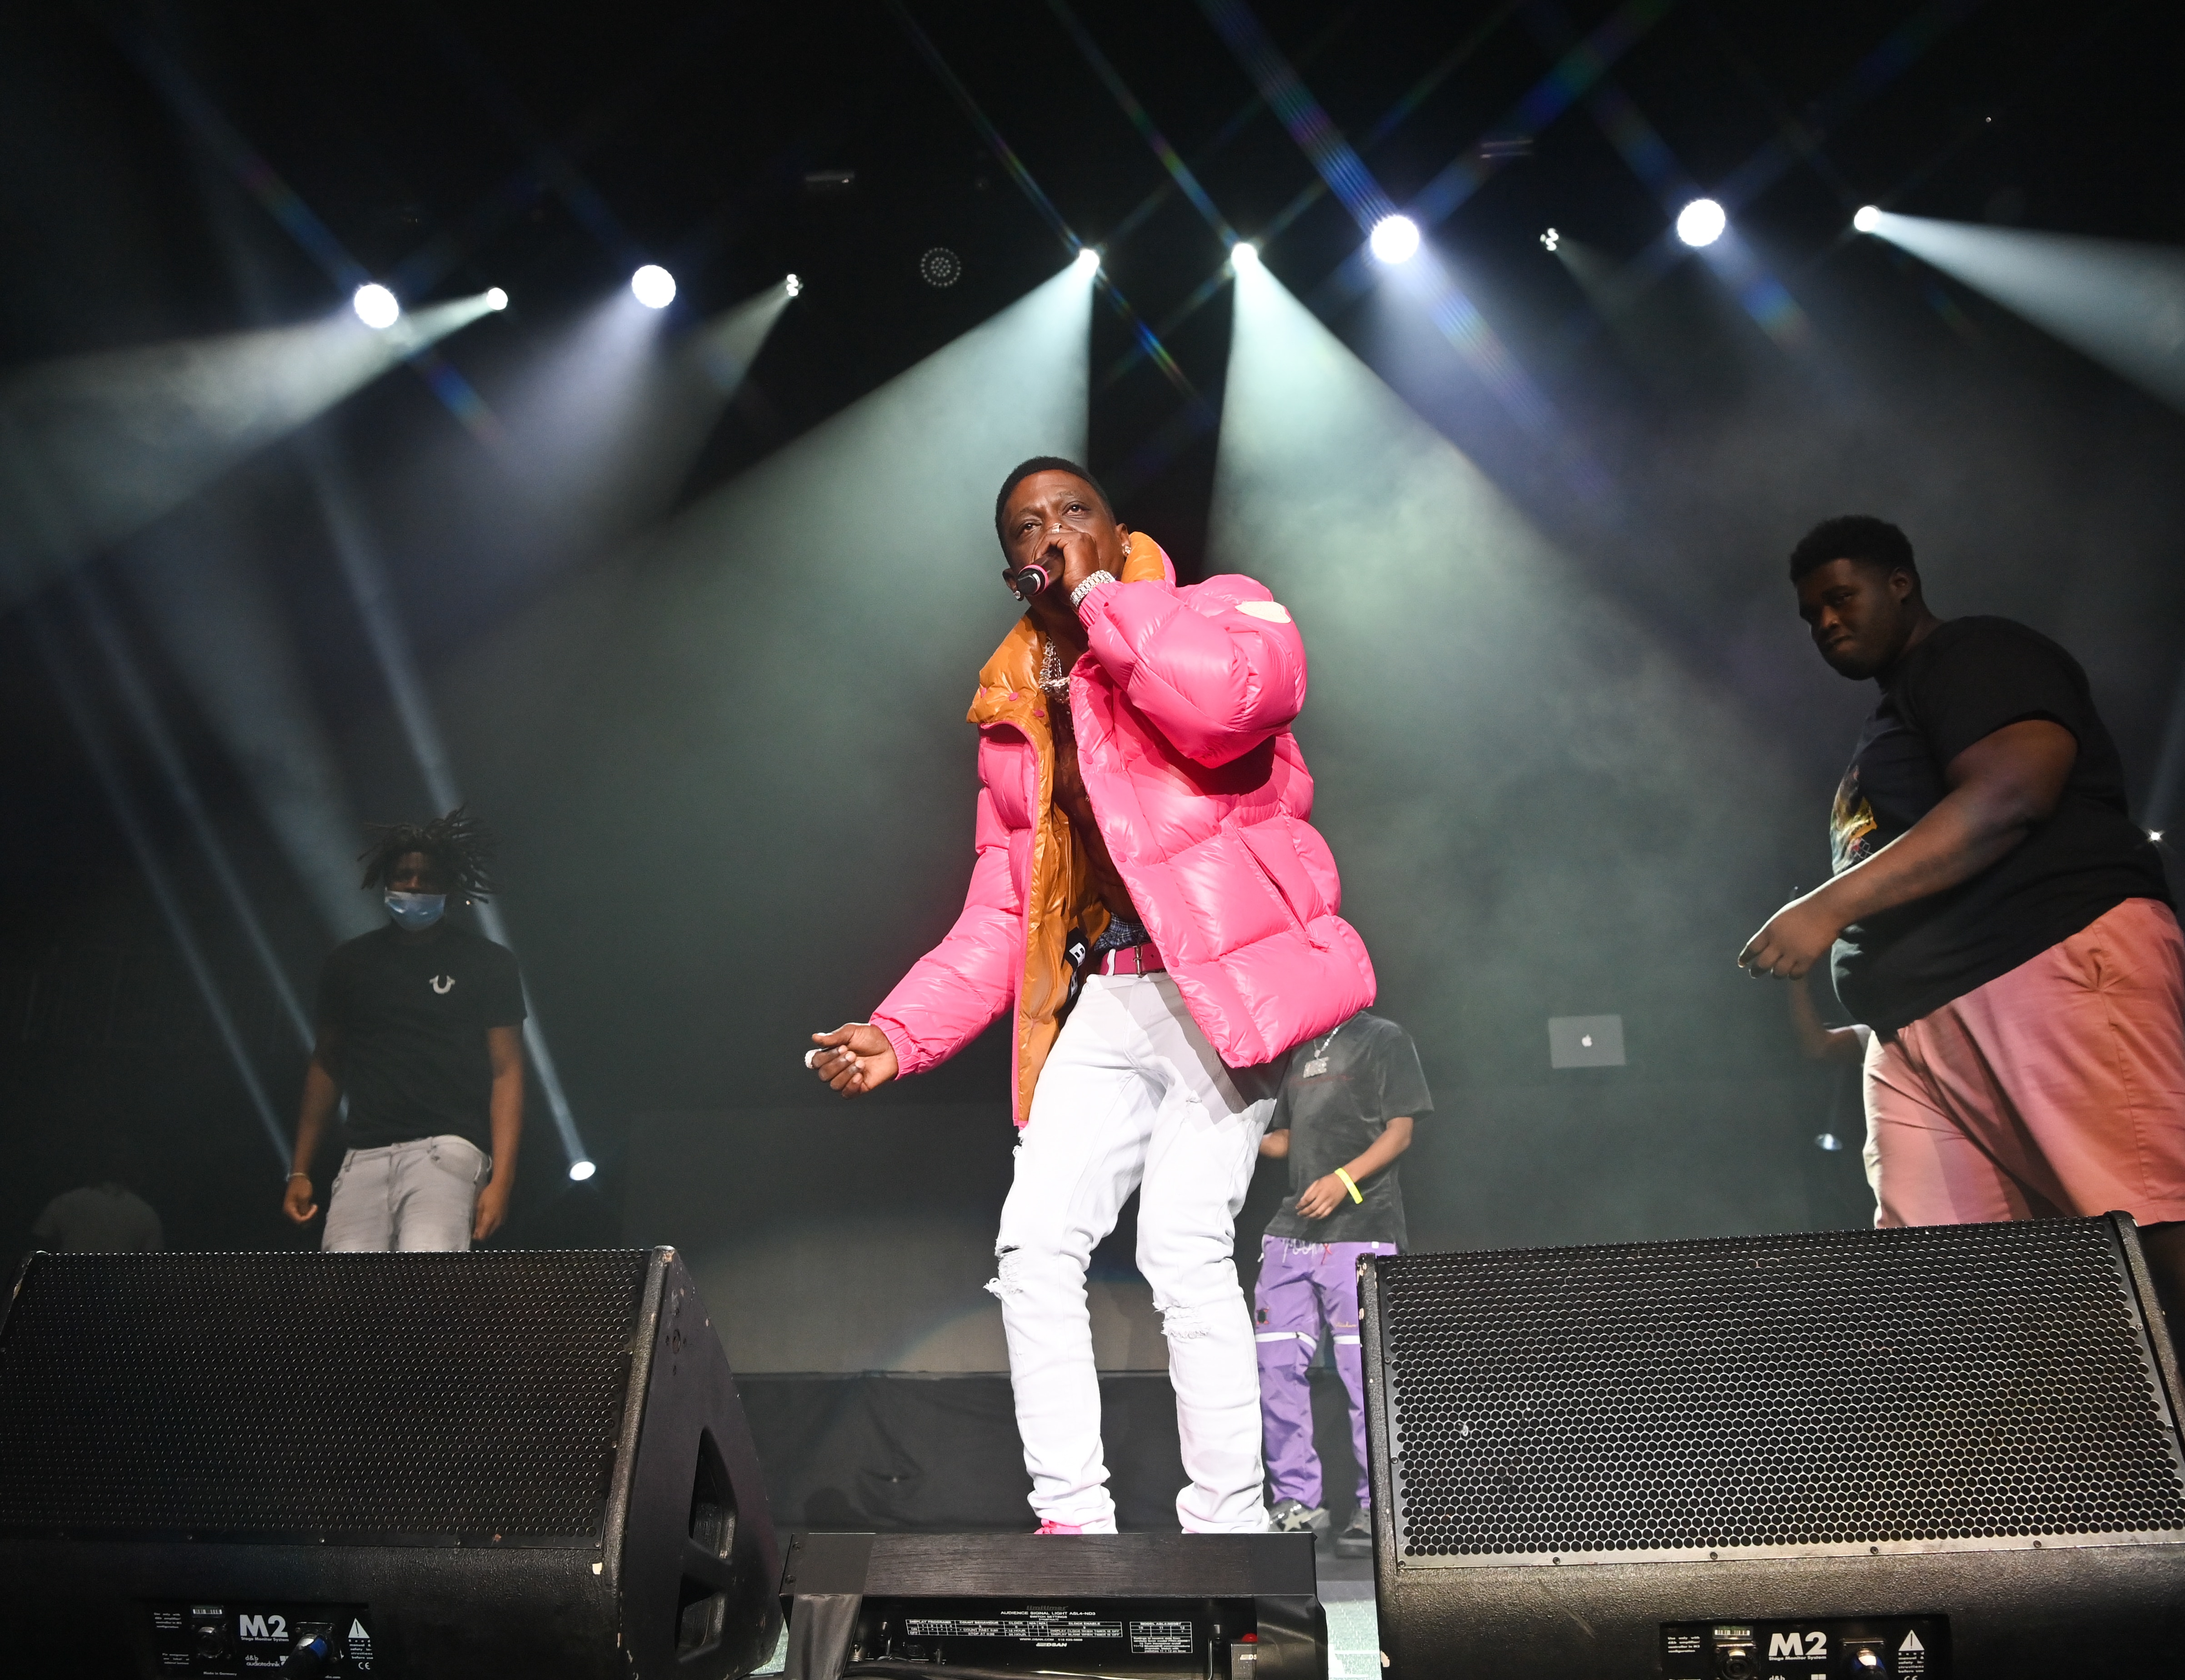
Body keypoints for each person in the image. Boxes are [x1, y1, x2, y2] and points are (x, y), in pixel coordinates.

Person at [806, 457, 1375, 1535]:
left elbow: (1228, 707)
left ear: (1118, 530)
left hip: (1225, 984)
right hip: (1109, 993)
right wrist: (898, 1032)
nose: (1051, 532)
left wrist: (1108, 606)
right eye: (1027, 527)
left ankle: (1227, 1527)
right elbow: (1003, 910)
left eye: (1073, 513)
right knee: (1032, 1247)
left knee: (1179, 1245)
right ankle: (1071, 1521)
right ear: (1011, 566)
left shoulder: (1221, 608)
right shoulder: (1017, 710)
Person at [1738, 515, 2184, 1319]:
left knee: (2146, 1219)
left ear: (1900, 584)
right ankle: (2042, 1447)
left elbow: (2011, 794)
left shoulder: (1973, 652)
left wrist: (1828, 906)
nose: (1827, 622)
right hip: (1914, 1026)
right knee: (1951, 1295)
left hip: (2038, 959)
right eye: (1812, 615)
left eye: (1841, 598)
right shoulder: (1892, 717)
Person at [284, 809, 525, 1252]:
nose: (413, 885)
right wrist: (299, 1170)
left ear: (448, 888)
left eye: (427, 877)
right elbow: (327, 1062)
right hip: (363, 1156)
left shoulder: (487, 963)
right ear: (386, 881)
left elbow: (506, 1070)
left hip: (447, 1150)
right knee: (348, 1305)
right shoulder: (350, 963)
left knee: (423, 1289)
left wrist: (502, 1180)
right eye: (403, 875)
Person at [1254, 1008, 1428, 1557]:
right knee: (1275, 1367)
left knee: (1365, 1377)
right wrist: (1220, 1131)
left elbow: (1401, 1131)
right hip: (1292, 1230)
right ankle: (1295, 1503)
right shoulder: (1296, 1047)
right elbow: (1284, 1138)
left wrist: (1343, 1181)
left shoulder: (1384, 1036)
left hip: (1361, 1226)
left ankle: (1376, 1509)